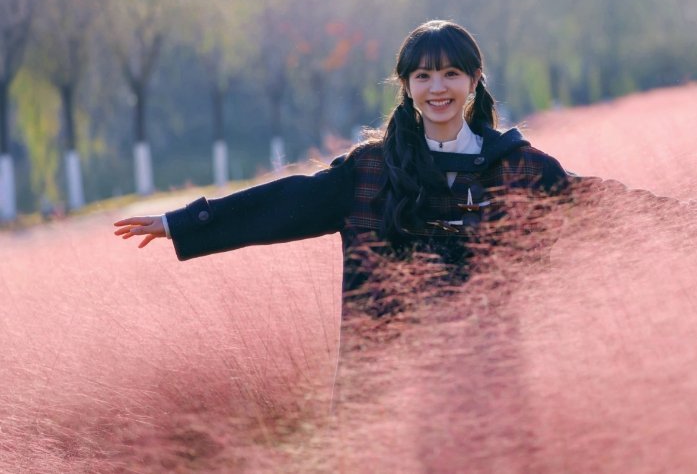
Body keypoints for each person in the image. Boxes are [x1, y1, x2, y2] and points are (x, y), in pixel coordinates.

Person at [114, 19, 571, 317]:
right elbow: (281, 203)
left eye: (451, 74)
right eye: (423, 76)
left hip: (490, 380)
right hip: (383, 388)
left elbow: (590, 204)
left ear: (473, 82)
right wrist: (182, 223)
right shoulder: (370, 170)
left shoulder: (516, 168)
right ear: (407, 85)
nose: (438, 88)